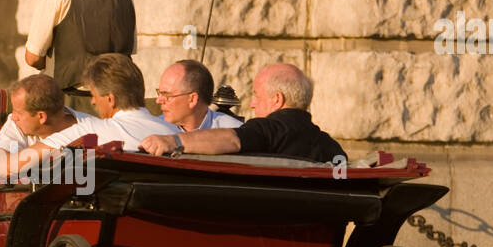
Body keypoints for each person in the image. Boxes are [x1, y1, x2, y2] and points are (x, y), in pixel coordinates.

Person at [1, 53, 176, 178]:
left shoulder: (90, 130)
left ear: (110, 99)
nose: (92, 102)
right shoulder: (175, 133)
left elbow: (8, 166)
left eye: (94, 95)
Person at [139, 63, 344, 163]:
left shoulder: (267, 131)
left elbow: (233, 140)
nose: (252, 104)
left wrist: (174, 142)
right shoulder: (332, 149)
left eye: (256, 95)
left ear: (277, 99)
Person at [0, 75, 93, 180]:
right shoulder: (17, 124)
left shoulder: (93, 131)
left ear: (41, 117)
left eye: (18, 112)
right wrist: (51, 146)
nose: (13, 116)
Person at [155, 59, 242, 132]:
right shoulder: (153, 129)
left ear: (192, 99)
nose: (158, 100)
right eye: (160, 93)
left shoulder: (234, 133)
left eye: (167, 95)